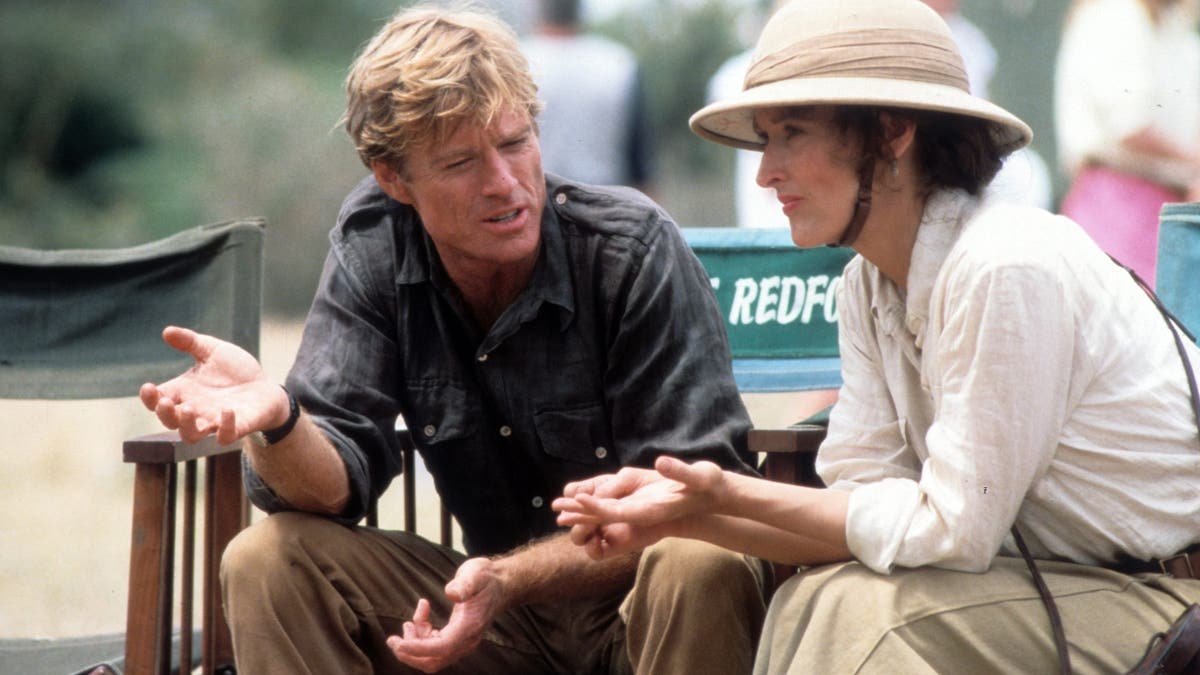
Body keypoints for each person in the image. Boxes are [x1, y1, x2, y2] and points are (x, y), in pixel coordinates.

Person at [554, 0, 1200, 672]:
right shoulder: (867, 286)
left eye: (792, 132)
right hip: (1041, 583)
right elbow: (859, 512)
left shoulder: (1004, 263)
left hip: (1166, 604)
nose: (766, 172)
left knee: (862, 619)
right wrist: (683, 516)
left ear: (892, 131)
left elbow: (956, 529)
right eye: (766, 138)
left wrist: (725, 493)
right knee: (817, 597)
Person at [138, 6, 768, 674]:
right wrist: (280, 421)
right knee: (265, 558)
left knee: (700, 558)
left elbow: (701, 508)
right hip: (491, 619)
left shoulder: (632, 250)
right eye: (462, 161)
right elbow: (333, 485)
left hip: (640, 611)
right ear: (392, 177)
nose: (504, 184)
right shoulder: (376, 246)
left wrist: (507, 580)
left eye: (517, 142)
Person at [1056, 0, 1200, 286]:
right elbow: (1131, 125)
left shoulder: (1176, 26)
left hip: (1171, 204)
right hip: (1115, 204)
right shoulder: (1115, 14)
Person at [522, 0, 654, 192]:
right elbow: (640, 165)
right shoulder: (620, 62)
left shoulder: (515, 59)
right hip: (605, 203)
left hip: (535, 201)